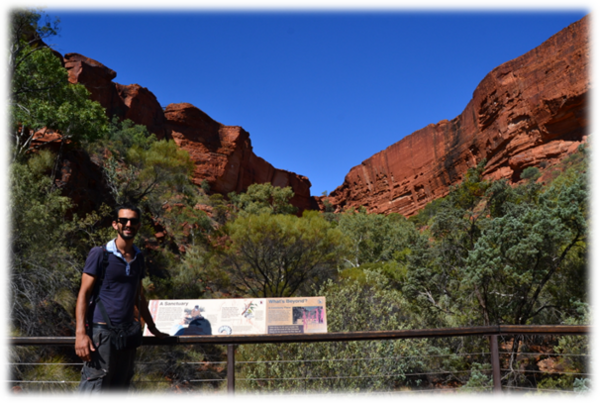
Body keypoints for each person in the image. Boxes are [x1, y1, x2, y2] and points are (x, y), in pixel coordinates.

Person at [75, 203, 168, 392]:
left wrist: (152, 328)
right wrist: (80, 334)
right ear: (115, 224)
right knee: (95, 387)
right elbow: (83, 294)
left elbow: (138, 296)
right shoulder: (100, 254)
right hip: (101, 333)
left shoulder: (138, 258)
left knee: (120, 388)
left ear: (138, 225)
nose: (128, 224)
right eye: (123, 220)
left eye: (133, 221)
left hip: (127, 335)